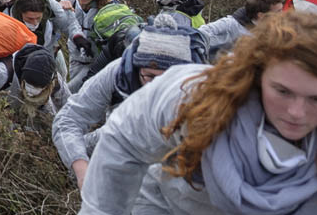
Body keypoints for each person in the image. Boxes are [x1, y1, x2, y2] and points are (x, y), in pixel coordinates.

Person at [77, 12, 317, 215]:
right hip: (171, 213)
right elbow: (124, 138)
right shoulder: (195, 98)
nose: (296, 113)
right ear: (257, 75)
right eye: (282, 91)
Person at [53, 12, 207, 188]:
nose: (158, 87)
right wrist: (81, 169)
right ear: (137, 67)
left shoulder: (202, 85)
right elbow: (69, 119)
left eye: (168, 78)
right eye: (150, 76)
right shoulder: (118, 72)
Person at [199, 0, 283, 55]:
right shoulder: (230, 24)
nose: (282, 14)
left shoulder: (277, 29)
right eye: (278, 12)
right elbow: (199, 33)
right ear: (261, 15)